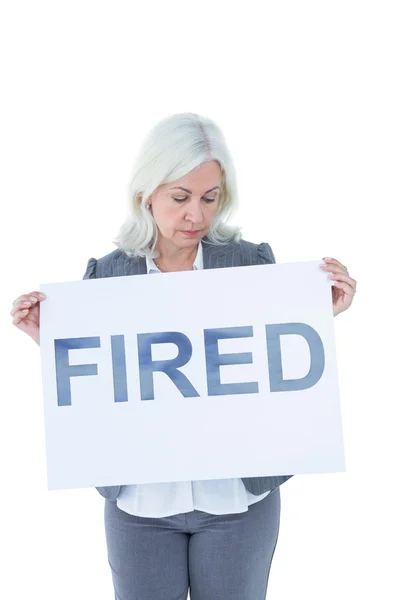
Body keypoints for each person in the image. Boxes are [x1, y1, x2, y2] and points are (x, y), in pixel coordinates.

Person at [10, 112, 357, 600]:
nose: (196, 215)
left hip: (239, 500)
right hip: (140, 504)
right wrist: (52, 340)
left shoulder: (249, 265)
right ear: (146, 195)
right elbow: (106, 376)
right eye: (180, 198)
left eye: (210, 198)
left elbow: (271, 358)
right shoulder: (107, 277)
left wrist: (320, 315)